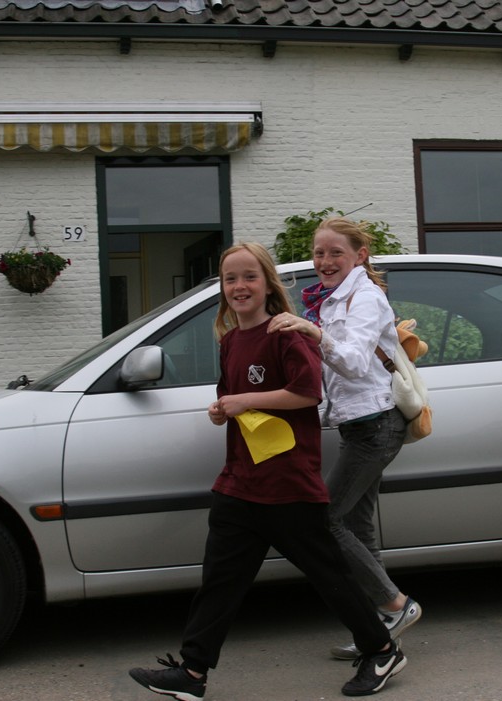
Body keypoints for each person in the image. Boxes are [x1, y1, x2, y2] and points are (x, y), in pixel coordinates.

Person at [128, 242, 407, 699]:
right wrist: (222, 410)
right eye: (230, 279)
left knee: (329, 576)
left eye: (249, 277)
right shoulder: (230, 341)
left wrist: (245, 400)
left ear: (267, 284)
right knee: (220, 581)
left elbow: (308, 392)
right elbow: (233, 397)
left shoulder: (286, 334)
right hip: (239, 481)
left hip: (287, 482)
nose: (239, 286)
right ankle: (192, 673)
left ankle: (381, 649)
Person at [268, 217, 422, 660]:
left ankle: (397, 605)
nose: (325, 261)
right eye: (319, 253)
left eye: (336, 252)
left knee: (324, 521)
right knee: (356, 524)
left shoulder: (365, 298)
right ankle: (378, 628)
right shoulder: (328, 299)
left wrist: (312, 332)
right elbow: (330, 377)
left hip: (378, 425)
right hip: (359, 424)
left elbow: (352, 363)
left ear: (359, 255)